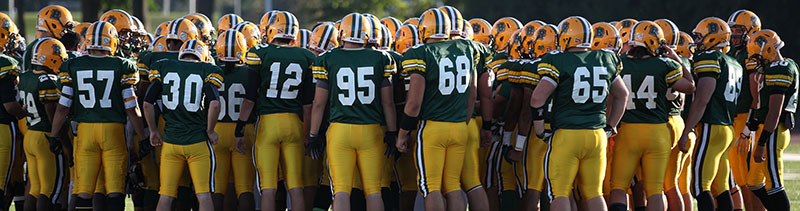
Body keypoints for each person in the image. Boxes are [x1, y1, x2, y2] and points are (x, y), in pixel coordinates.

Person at [530, 16, 629, 211]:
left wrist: (540, 130)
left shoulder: (558, 61)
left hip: (567, 135)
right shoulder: (605, 57)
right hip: (597, 135)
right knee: (594, 192)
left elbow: (536, 99)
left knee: (560, 192)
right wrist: (611, 126)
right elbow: (622, 94)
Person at [48, 21, 147, 211]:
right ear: (112, 41)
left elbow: (63, 108)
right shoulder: (122, 65)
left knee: (84, 191)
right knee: (115, 190)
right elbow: (131, 107)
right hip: (113, 131)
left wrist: (54, 135)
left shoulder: (73, 65)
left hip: (85, 131)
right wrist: (142, 136)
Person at [307, 12, 398, 210]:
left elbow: (319, 104)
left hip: (340, 130)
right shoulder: (382, 57)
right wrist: (392, 132)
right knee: (374, 190)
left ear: (341, 33)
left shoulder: (327, 58)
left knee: (341, 190)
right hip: (371, 130)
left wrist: (313, 134)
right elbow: (388, 103)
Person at [395, 8, 480, 211]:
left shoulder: (421, 53)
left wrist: (403, 133)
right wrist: (464, 120)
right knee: (452, 184)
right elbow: (472, 93)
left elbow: (414, 103)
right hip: (460, 126)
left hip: (433, 127)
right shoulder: (467, 49)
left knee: (430, 186)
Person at [607, 21, 695, 211]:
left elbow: (610, 98)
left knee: (619, 187)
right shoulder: (665, 65)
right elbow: (690, 87)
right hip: (658, 132)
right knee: (655, 189)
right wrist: (677, 59)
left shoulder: (619, 63)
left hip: (628, 131)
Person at [236, 11, 314, 211]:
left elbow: (250, 97)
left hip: (268, 124)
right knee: (296, 186)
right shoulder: (306, 56)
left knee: (268, 188)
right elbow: (308, 105)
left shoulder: (260, 53)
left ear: (271, 30)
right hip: (295, 124)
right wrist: (307, 135)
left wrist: (240, 128)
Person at [142, 39, 222, 211]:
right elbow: (215, 104)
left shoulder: (164, 67)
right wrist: (210, 130)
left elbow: (147, 103)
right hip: (197, 142)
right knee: (204, 195)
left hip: (171, 143)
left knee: (165, 196)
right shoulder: (206, 69)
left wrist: (154, 130)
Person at [677, 17, 742, 211]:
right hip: (726, 127)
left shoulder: (711, 58)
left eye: (699, 37)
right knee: (721, 186)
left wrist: (686, 130)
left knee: (699, 186)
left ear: (713, 37)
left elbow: (702, 99)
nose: (696, 42)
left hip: (711, 125)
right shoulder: (733, 63)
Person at [745, 29, 793, 211]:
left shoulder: (779, 69)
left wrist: (761, 142)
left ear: (769, 49)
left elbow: (774, 111)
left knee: (774, 184)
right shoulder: (783, 66)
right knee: (754, 182)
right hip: (769, 127)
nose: (757, 61)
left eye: (758, 56)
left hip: (773, 130)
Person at [18, 38, 69, 210]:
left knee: (35, 188)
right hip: (44, 137)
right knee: (47, 190)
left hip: (30, 134)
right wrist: (65, 143)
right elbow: (52, 114)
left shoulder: (25, 77)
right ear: (52, 58)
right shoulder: (47, 80)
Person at [210, 29, 256, 211]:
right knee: (244, 188)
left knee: (218, 188)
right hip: (243, 130)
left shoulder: (212, 71)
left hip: (217, 131)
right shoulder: (249, 72)